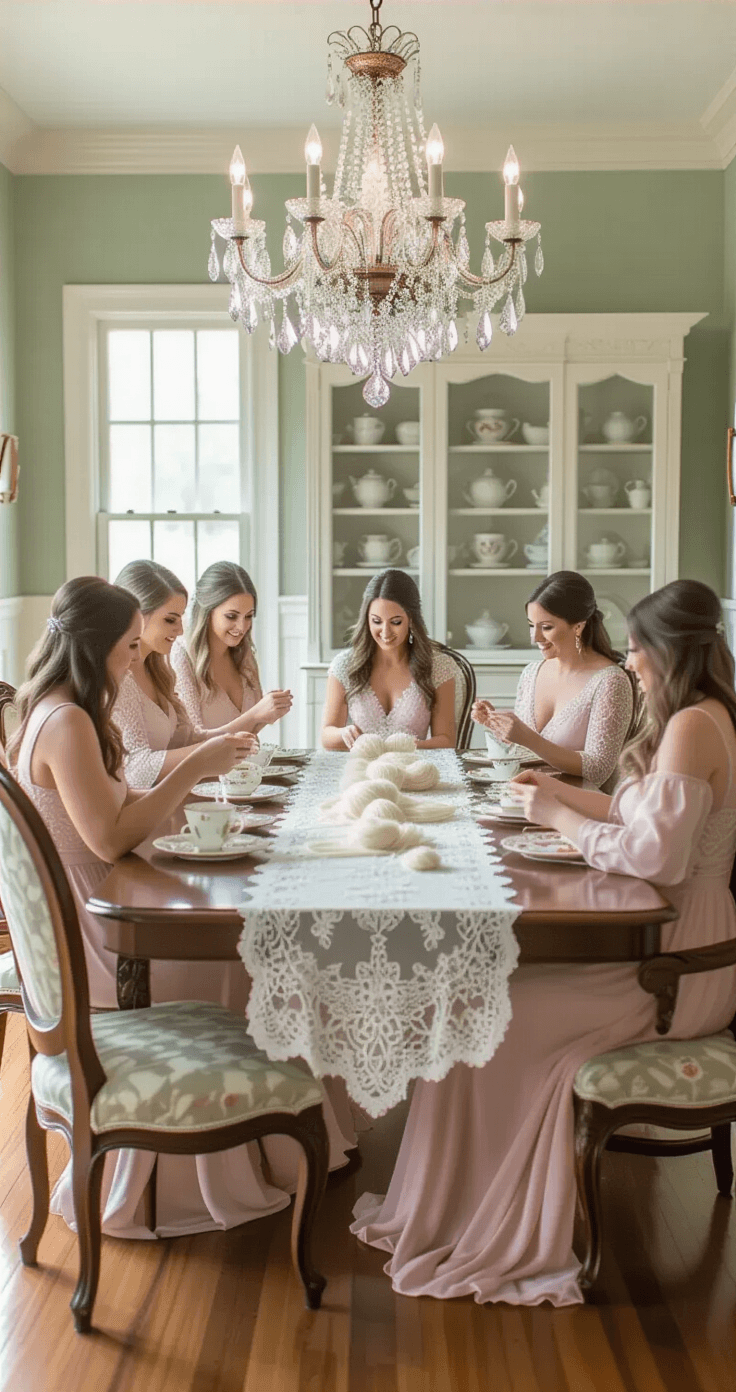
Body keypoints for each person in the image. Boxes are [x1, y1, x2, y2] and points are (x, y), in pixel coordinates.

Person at [352, 580, 736, 1305]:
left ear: (669, 651)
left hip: (677, 967)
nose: (634, 665)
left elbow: (659, 858)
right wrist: (553, 797)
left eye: (640, 651)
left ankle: (489, 1223)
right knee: (474, 1000)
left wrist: (560, 821)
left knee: (486, 1015)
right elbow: (633, 808)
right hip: (670, 942)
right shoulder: (700, 717)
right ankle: (458, 1208)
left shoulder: (691, 727)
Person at [8, 576, 356, 1238]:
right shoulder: (69, 721)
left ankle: (275, 1144)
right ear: (97, 648)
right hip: (96, 940)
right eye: (127, 647)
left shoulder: (47, 709)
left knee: (252, 950)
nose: (132, 660)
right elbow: (110, 837)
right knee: (248, 963)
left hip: (91, 912)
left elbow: (112, 825)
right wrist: (194, 769)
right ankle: (256, 1154)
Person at [472, 570, 634, 786]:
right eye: (531, 625)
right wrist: (497, 724)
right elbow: (526, 754)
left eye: (546, 627)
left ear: (578, 626)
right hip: (526, 797)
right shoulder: (531, 673)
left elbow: (598, 771)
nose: (535, 638)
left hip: (575, 806)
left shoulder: (610, 682)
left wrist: (527, 737)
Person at [113, 560, 260, 788]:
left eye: (181, 618)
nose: (181, 630)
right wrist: (209, 752)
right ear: (137, 616)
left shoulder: (158, 669)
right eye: (170, 619)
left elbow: (187, 739)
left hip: (170, 797)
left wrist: (228, 742)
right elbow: (136, 770)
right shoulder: (121, 677)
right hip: (141, 807)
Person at [321, 569, 456, 749]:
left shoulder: (438, 666)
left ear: (411, 619)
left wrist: (410, 747)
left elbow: (446, 741)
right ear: (366, 619)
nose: (385, 632)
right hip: (361, 770)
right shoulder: (345, 665)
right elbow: (326, 736)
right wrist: (343, 733)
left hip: (412, 769)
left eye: (396, 622)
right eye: (376, 621)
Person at [171, 561, 292, 736]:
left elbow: (248, 732)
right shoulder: (182, 656)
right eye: (231, 616)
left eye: (248, 616)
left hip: (247, 763)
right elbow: (195, 740)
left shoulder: (244, 654)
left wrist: (267, 715)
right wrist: (256, 714)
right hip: (208, 764)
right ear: (208, 611)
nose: (242, 627)